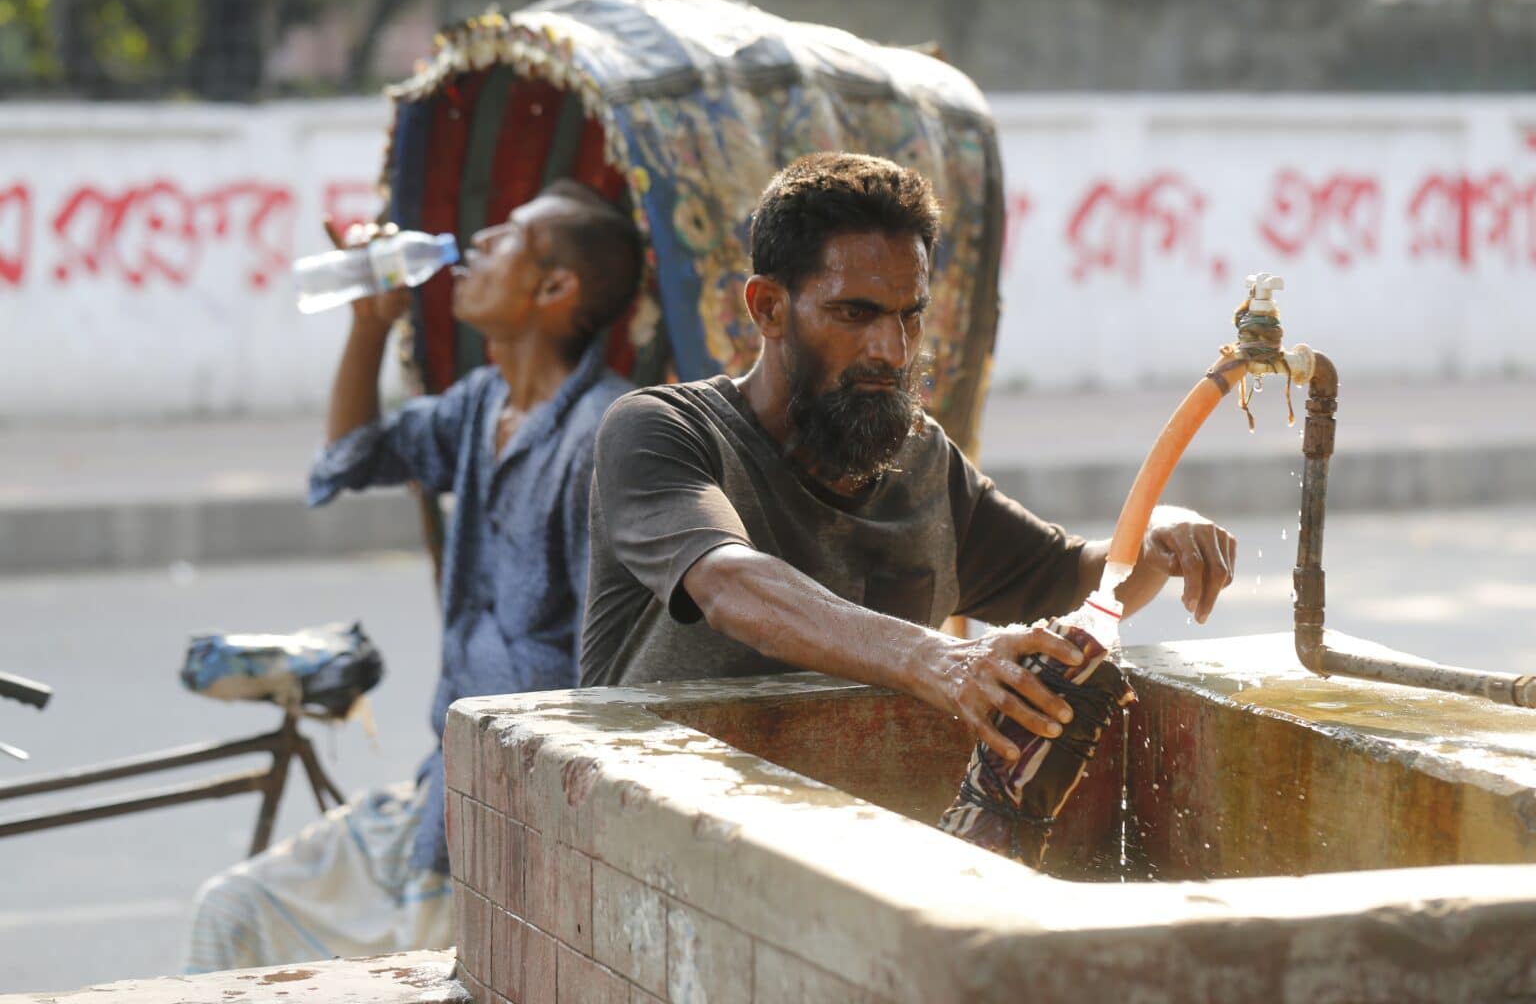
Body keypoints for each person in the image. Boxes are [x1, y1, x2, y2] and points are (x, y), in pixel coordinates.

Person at [581, 152, 1236, 766]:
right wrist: (935, 659)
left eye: (909, 316)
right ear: (769, 308)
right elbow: (728, 585)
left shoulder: (923, 462)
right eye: (855, 313)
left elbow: (1075, 580)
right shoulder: (661, 431)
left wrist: (1155, 540)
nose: (892, 350)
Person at [186, 180, 642, 972]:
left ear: (554, 288)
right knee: (232, 911)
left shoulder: (606, 435)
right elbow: (353, 458)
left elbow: (611, 673)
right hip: (442, 789)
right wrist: (369, 328)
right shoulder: (479, 407)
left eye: (504, 237)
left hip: (519, 818)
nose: (473, 245)